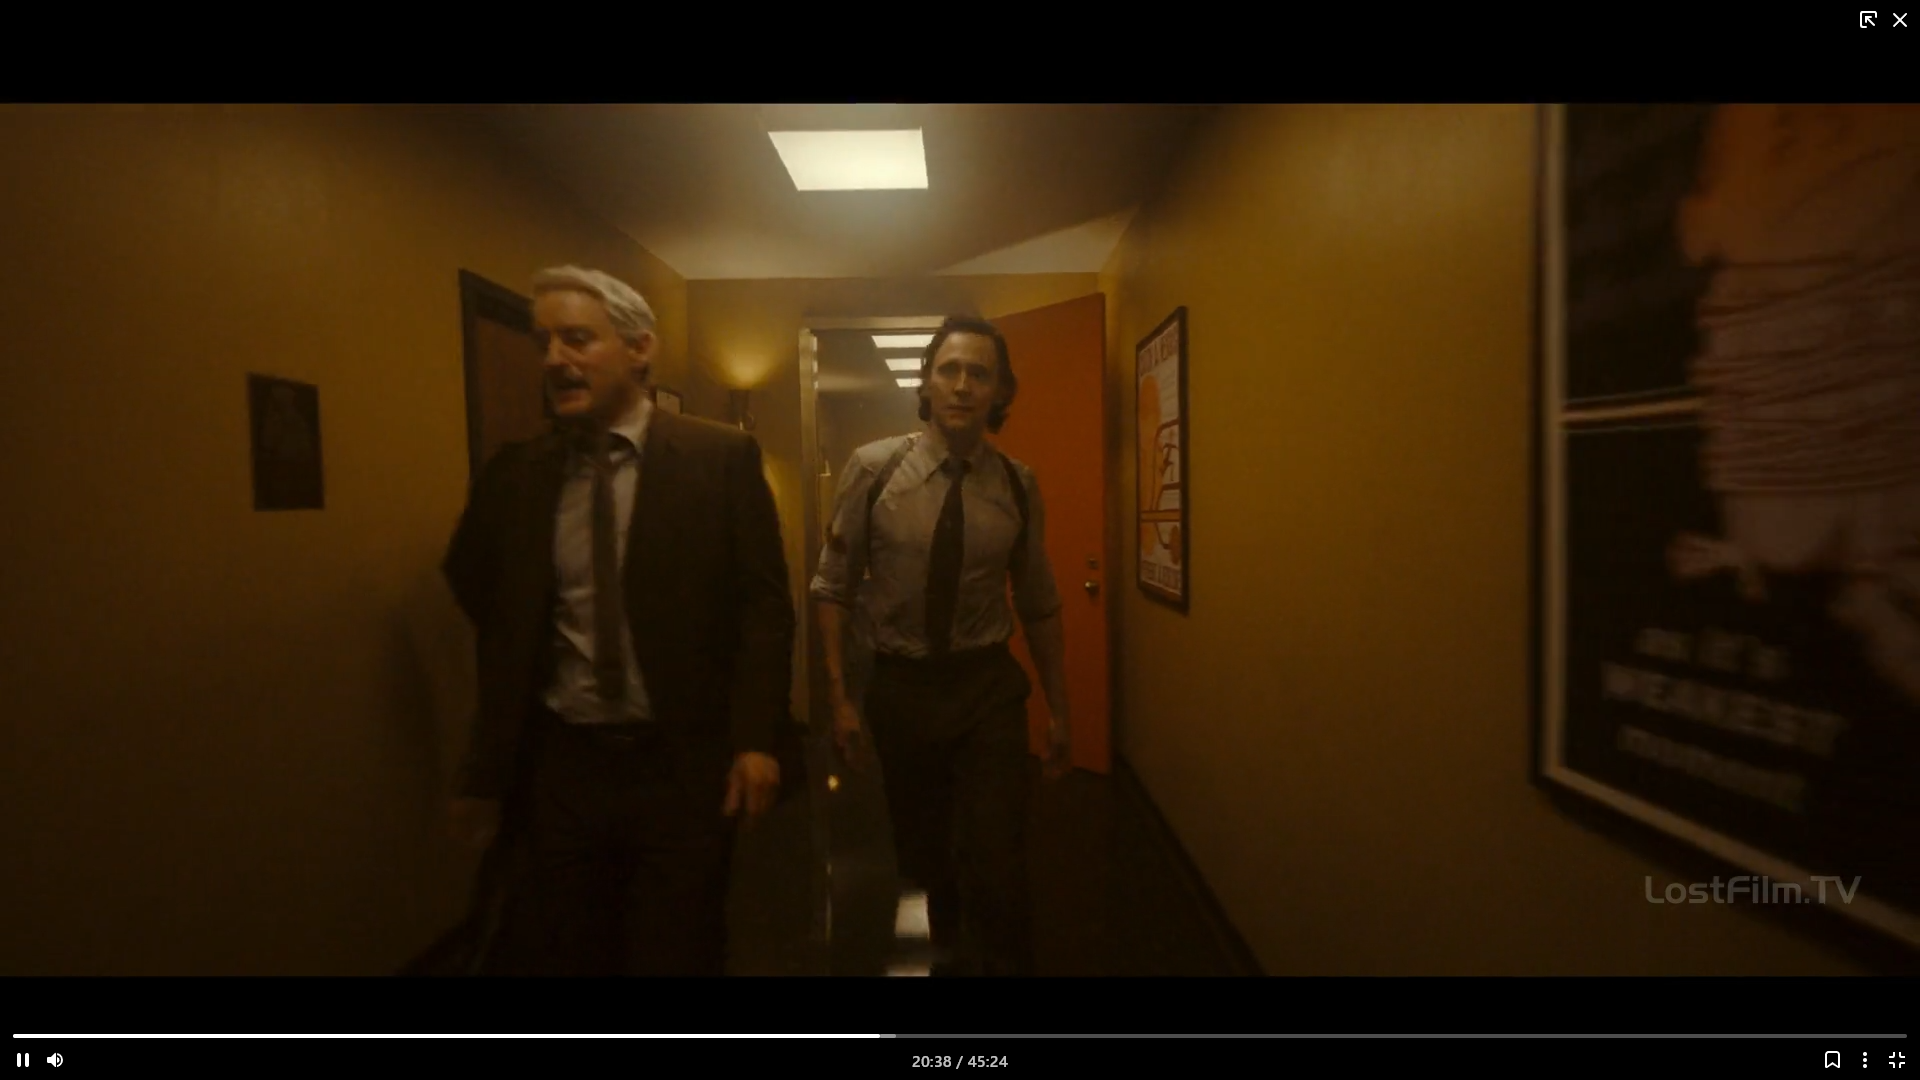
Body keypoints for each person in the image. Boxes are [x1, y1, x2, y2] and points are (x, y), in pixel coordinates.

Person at [441, 265, 794, 976]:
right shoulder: (518, 475)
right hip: (563, 769)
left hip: (680, 766)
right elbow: (482, 591)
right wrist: (489, 765)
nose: (555, 360)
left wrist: (756, 739)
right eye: (544, 342)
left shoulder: (719, 458)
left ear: (639, 349)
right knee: (568, 953)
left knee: (679, 950)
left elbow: (762, 607)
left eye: (577, 339)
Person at [810, 314, 1072, 977]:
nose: (962, 385)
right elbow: (832, 587)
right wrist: (840, 699)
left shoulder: (1017, 485)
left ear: (999, 392)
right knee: (926, 853)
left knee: (999, 855)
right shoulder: (874, 470)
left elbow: (1038, 600)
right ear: (926, 382)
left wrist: (1060, 709)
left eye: (979, 373)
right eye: (949, 369)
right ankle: (951, 949)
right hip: (902, 688)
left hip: (986, 687)